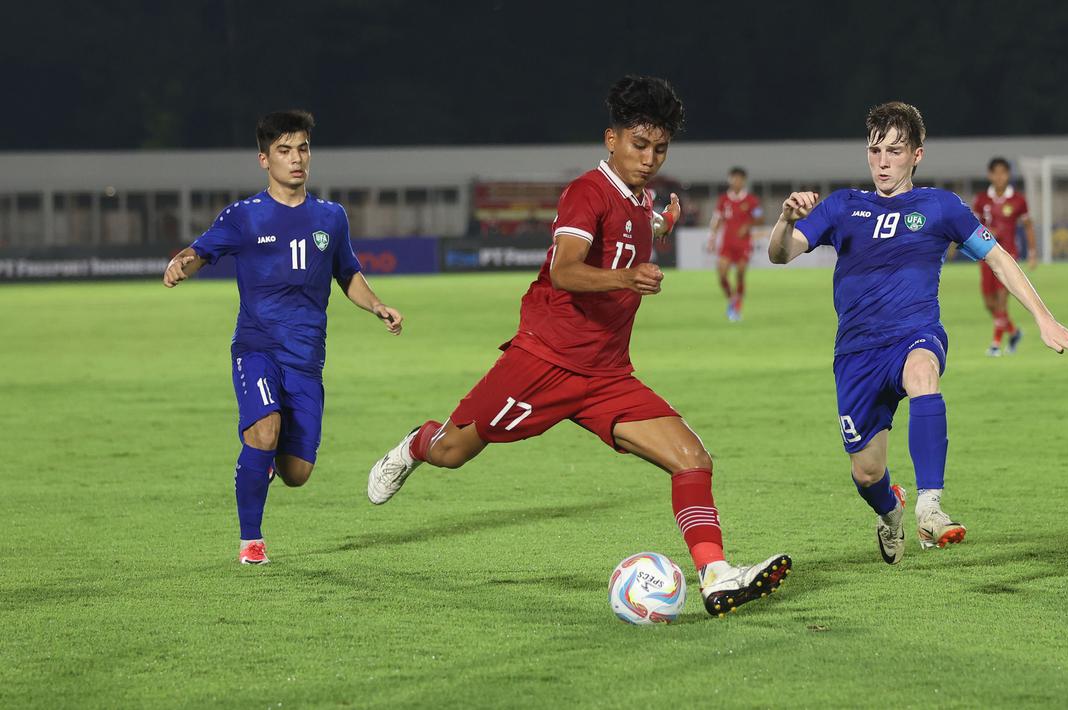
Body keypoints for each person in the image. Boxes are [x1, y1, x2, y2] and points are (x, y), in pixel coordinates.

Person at [367, 76, 790, 616]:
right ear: (610, 139)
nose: (650, 158)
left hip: (607, 375)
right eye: (640, 146)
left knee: (692, 459)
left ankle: (715, 575)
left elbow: (630, 231)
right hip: (543, 361)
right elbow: (566, 270)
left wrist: (659, 226)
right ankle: (414, 445)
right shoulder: (586, 191)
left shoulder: (641, 198)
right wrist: (628, 277)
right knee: (452, 452)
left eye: (660, 148)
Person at [766, 102, 1068, 564]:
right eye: (875, 150)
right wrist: (785, 220)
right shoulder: (842, 206)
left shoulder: (941, 207)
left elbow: (998, 258)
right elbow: (781, 254)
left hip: (915, 333)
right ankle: (892, 510)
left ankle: (929, 506)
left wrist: (1043, 317)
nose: (883, 161)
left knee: (923, 373)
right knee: (866, 472)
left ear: (916, 155)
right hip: (857, 354)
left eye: (895, 151)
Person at [163, 110, 404, 565]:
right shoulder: (245, 216)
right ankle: (251, 541)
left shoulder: (331, 217)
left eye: (303, 148)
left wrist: (377, 305)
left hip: (306, 359)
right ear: (263, 159)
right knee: (264, 427)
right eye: (284, 150)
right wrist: (183, 262)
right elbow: (201, 250)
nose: (296, 159)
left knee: (297, 473)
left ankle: (264, 466)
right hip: (257, 347)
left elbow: (347, 272)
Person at [972, 157, 1037, 356]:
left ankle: (995, 345)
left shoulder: (1018, 200)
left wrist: (1033, 252)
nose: (1000, 177)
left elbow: (1027, 226)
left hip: (1009, 256)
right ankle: (1014, 332)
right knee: (989, 304)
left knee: (1001, 301)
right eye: (996, 173)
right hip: (986, 256)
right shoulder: (982, 200)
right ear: (990, 175)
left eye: (1003, 173)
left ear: (1008, 175)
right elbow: (973, 227)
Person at [707, 167, 764, 321]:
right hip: (727, 243)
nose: (736, 181)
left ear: (743, 181)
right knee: (722, 274)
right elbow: (716, 220)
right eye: (733, 178)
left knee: (740, 273)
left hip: (744, 244)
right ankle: (732, 299)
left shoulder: (751, 200)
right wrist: (712, 237)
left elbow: (760, 218)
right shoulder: (724, 200)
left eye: (739, 179)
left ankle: (736, 305)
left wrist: (748, 225)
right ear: (730, 180)